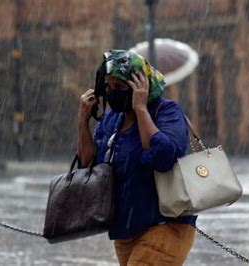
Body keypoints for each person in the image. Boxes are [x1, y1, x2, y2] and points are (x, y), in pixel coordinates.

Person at [77, 50, 197, 265]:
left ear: (140, 85)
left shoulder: (167, 112)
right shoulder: (113, 118)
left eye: (121, 87)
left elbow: (163, 157)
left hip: (165, 225)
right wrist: (83, 122)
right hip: (125, 231)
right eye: (109, 86)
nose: (113, 93)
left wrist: (141, 109)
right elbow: (88, 164)